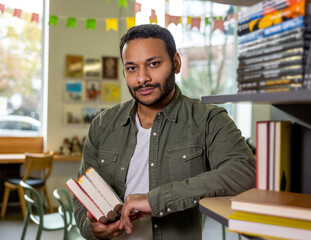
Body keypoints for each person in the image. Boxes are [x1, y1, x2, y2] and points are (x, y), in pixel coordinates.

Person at [73, 24, 256, 240]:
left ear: (176, 63)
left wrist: (157, 200)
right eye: (132, 68)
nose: (142, 78)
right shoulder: (103, 124)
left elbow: (245, 172)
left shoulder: (208, 119)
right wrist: (92, 229)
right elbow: (83, 195)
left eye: (153, 64)